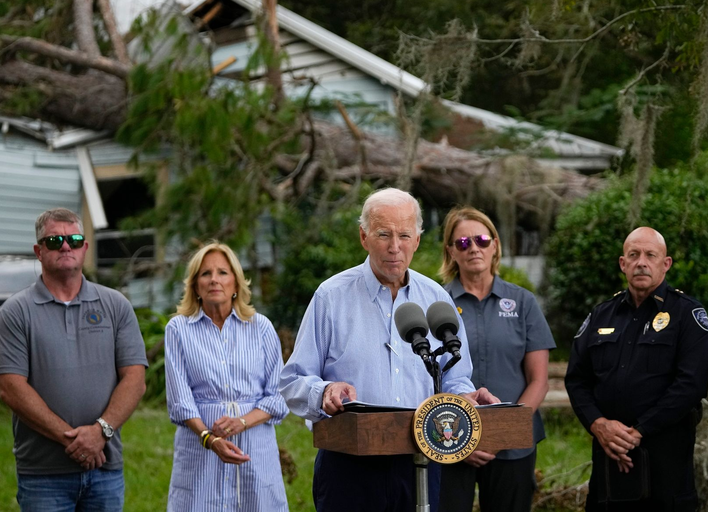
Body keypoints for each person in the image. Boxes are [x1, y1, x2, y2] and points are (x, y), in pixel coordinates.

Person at [280, 188, 499, 512]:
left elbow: (454, 377)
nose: (395, 247)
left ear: (418, 240)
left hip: (422, 461)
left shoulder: (436, 298)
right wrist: (325, 391)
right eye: (384, 234)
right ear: (364, 236)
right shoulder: (331, 296)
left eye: (404, 235)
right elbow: (292, 381)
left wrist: (463, 397)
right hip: (349, 465)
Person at [0, 208, 147, 511]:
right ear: (38, 251)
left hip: (104, 469)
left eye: (74, 239)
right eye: (54, 241)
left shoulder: (115, 305)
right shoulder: (15, 312)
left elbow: (135, 379)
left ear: (85, 248)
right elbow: (11, 387)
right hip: (44, 475)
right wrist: (74, 441)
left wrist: (100, 432)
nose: (65, 246)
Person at [564, 227, 708, 512]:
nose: (641, 262)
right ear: (623, 264)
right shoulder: (601, 314)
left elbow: (690, 385)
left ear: (665, 263)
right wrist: (598, 424)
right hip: (608, 465)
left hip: (665, 467)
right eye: (633, 255)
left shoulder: (687, 314)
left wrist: (639, 431)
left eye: (650, 255)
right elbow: (577, 380)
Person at [436, 206, 554, 512]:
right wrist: (464, 440)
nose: (473, 248)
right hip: (449, 439)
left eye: (482, 240)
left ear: (495, 245)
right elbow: (425, 375)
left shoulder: (523, 302)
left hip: (513, 445)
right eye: (463, 243)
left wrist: (502, 432)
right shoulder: (436, 304)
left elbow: (539, 380)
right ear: (450, 251)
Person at [164, 241, 289, 512]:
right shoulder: (178, 330)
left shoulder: (261, 327)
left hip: (254, 445)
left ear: (236, 282)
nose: (214, 280)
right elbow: (180, 401)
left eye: (222, 272)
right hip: (201, 446)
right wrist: (210, 438)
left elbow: (279, 396)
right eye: (205, 273)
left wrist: (242, 422)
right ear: (195, 285)